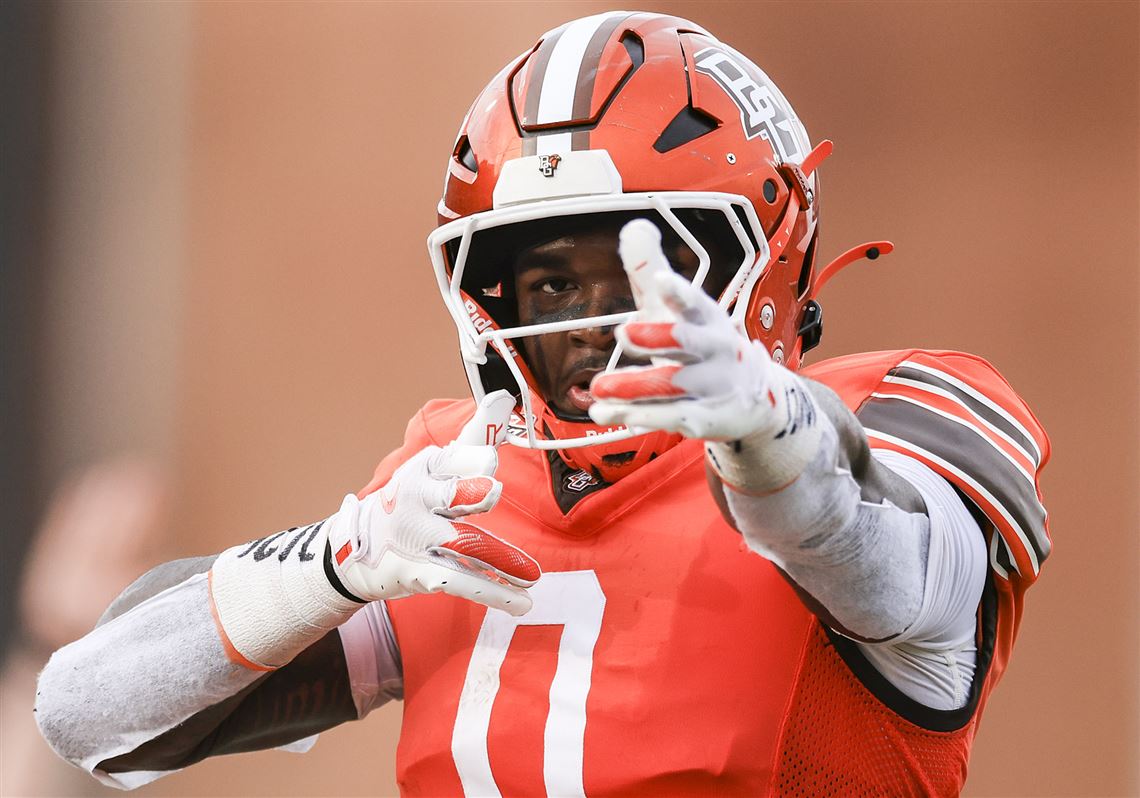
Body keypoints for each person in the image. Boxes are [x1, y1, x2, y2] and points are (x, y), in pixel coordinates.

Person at [34, 12, 1051, 796]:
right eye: (554, 283)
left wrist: (773, 438)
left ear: (763, 257)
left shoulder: (899, 415)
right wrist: (338, 560)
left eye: (652, 268)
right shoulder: (453, 494)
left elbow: (892, 573)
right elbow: (89, 714)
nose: (595, 322)